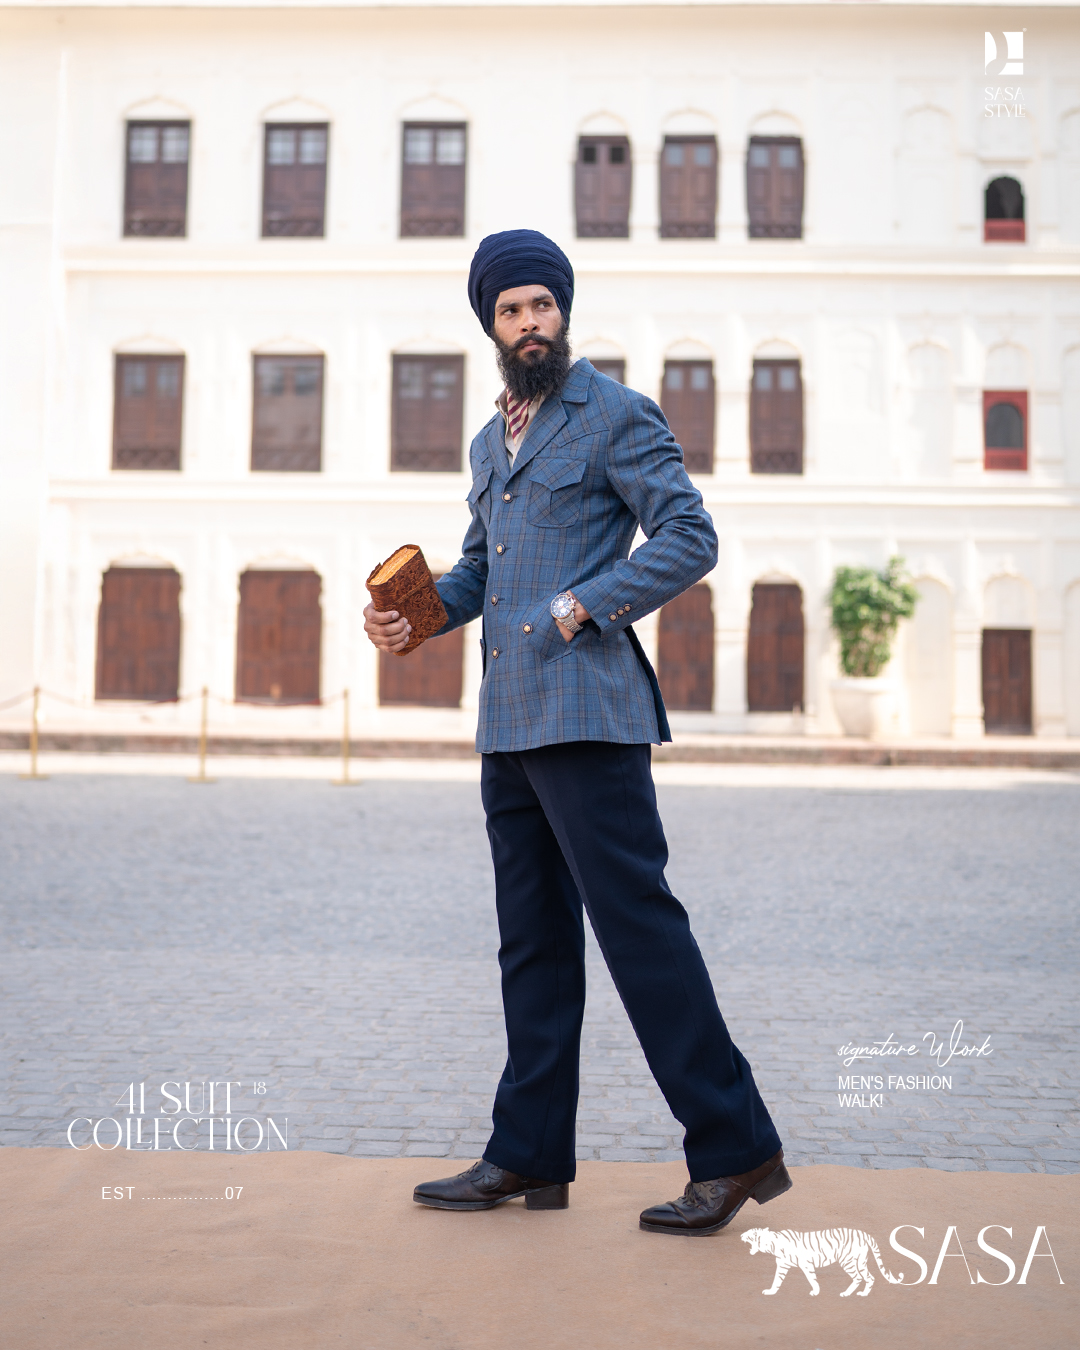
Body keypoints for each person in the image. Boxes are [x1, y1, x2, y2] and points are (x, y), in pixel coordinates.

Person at [363, 229, 790, 1235]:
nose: (532, 324)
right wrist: (413, 617)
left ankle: (732, 1149)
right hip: (507, 723)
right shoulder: (488, 441)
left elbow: (691, 537)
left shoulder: (615, 416)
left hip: (590, 712)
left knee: (639, 931)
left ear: (564, 313)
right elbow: (480, 571)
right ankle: (527, 1155)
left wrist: (580, 606)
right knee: (533, 945)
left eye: (544, 306)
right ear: (492, 326)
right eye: (513, 311)